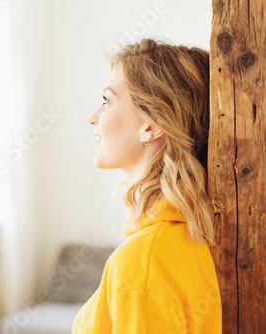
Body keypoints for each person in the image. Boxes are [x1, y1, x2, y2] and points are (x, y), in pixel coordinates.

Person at [72, 38, 222, 333]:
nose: (93, 118)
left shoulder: (144, 263)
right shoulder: (188, 240)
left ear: (151, 126)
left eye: (107, 101)